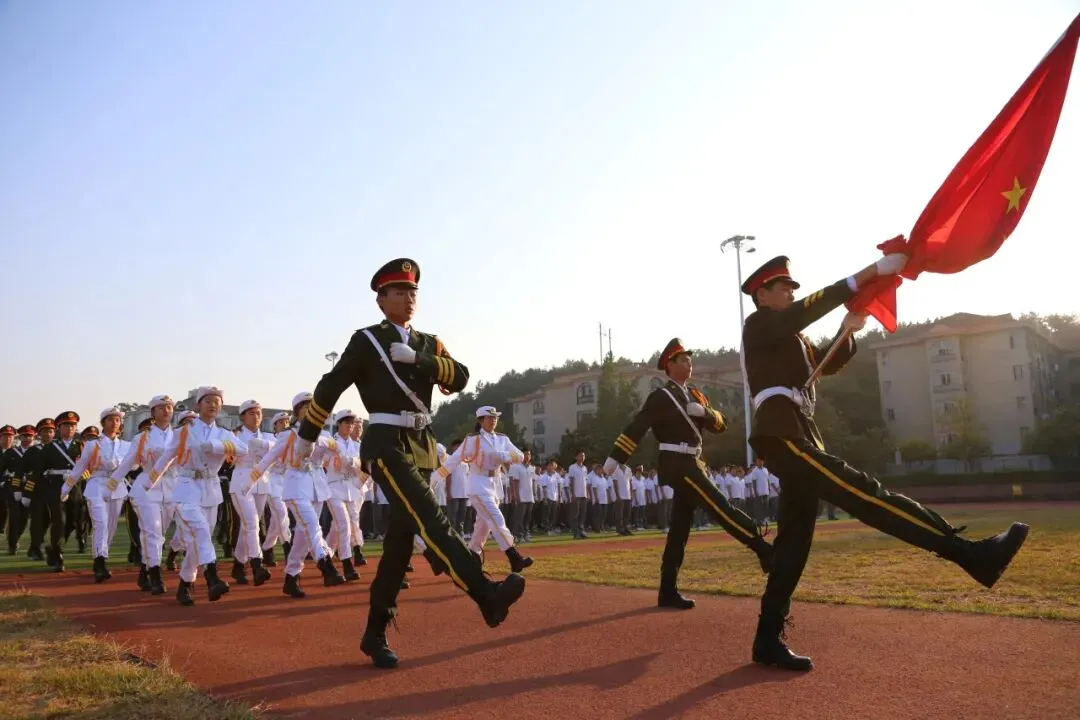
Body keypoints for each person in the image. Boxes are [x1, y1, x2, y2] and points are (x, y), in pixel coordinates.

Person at [741, 254, 1029, 671]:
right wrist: (866, 276)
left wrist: (847, 330)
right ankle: (967, 552)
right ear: (761, 294)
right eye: (782, 287)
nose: (789, 291)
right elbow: (803, 313)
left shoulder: (791, 337)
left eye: (790, 287)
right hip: (782, 433)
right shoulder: (760, 324)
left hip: (799, 431)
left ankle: (767, 639)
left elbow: (824, 365)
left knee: (794, 542)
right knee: (866, 494)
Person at [294, 258, 525, 669]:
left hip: (422, 444)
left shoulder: (428, 343)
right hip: (385, 441)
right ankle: (485, 594)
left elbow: (460, 377)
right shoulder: (367, 340)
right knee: (430, 518)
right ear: (381, 300)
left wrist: (419, 360)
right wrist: (306, 435)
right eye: (399, 292)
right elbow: (331, 385)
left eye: (412, 291)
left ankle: (374, 634)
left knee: (399, 549)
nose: (408, 298)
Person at [602, 338, 773, 610]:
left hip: (694, 461)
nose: (689, 364)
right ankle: (762, 548)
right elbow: (637, 426)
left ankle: (667, 590)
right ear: (669, 365)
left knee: (679, 529)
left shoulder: (695, 395)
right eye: (683, 360)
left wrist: (706, 412)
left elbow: (722, 425)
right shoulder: (661, 396)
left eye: (690, 360)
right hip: (676, 462)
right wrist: (615, 458)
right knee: (719, 505)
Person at [150, 387, 241, 605]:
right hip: (186, 487)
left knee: (197, 542)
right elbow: (166, 458)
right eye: (208, 401)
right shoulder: (184, 431)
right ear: (198, 405)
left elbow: (243, 450)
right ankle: (212, 576)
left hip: (211, 489)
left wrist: (216, 446)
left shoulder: (225, 434)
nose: (213, 405)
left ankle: (185, 583)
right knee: (200, 531)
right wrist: (149, 483)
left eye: (217, 401)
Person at [251, 392, 346, 598]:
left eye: (313, 406)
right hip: (295, 485)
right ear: (297, 411)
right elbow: (270, 458)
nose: (310, 410)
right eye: (305, 407)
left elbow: (337, 452)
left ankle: (291, 577)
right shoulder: (288, 435)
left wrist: (326, 444)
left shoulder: (324, 434)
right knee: (312, 526)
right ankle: (326, 564)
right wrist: (248, 483)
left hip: (317, 486)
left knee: (303, 536)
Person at [435, 406, 533, 572]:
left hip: (495, 484)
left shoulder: (502, 439)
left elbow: (520, 456)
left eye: (495, 417)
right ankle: (513, 556)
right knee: (496, 518)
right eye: (490, 417)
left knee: (483, 527)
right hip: (478, 484)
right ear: (481, 420)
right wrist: (433, 481)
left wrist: (504, 456)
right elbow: (452, 462)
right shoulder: (472, 440)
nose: (494, 420)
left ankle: (471, 557)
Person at [111, 396, 175, 595]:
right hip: (147, 487)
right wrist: (111, 485)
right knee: (152, 530)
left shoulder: (181, 436)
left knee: (159, 534)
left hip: (171, 488)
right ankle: (155, 574)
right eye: (161, 408)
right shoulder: (142, 438)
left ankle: (145, 570)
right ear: (153, 412)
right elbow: (127, 463)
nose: (166, 411)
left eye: (169, 407)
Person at [62, 408, 131, 583]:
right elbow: (80, 467)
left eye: (117, 420)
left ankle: (100, 557)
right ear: (103, 423)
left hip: (116, 486)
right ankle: (100, 562)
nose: (114, 423)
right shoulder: (93, 445)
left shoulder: (126, 445)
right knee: (100, 524)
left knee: (111, 526)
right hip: (97, 485)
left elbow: (135, 464)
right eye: (110, 420)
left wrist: (125, 464)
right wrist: (66, 488)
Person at [229, 399, 274, 587]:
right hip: (242, 482)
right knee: (252, 522)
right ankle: (257, 564)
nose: (256, 417)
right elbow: (230, 459)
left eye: (258, 413)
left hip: (261, 482)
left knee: (248, 526)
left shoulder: (268, 436)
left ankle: (238, 566)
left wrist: (264, 445)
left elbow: (278, 453)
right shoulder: (235, 436)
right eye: (251, 413)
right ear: (242, 417)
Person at [36, 412, 82, 571]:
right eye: (66, 425)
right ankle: (57, 554)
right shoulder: (50, 448)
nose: (70, 429)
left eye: (73, 426)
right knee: (59, 521)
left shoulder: (81, 446)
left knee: (73, 522)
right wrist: (43, 491)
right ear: (59, 428)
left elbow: (89, 468)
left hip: (74, 488)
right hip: (55, 487)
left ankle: (53, 547)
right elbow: (39, 470)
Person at [260, 411, 292, 567]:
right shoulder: (269, 439)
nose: (285, 424)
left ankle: (267, 549)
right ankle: (288, 546)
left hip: (286, 481)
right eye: (281, 422)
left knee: (276, 520)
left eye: (287, 422)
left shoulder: (292, 439)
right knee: (281, 513)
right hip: (271, 480)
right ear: (274, 426)